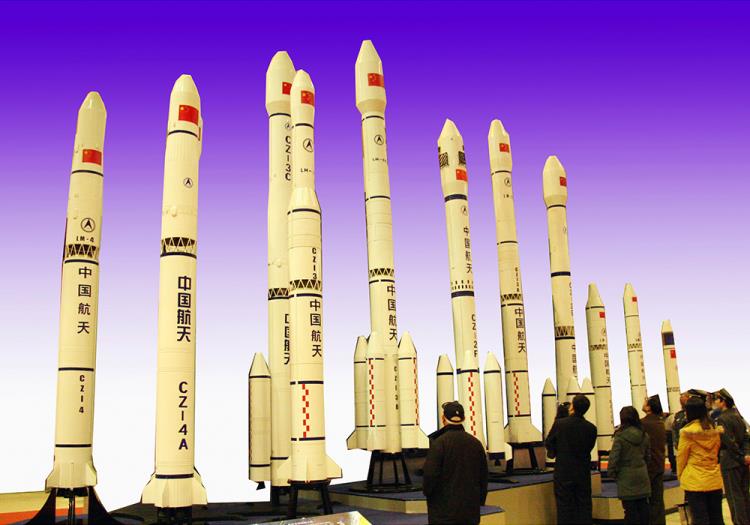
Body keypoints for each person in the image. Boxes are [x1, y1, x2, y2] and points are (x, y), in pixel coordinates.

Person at [423, 401, 488, 525]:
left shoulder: (439, 443)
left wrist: (429, 494)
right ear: (464, 418)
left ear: (443, 418)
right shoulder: (476, 443)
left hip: (443, 512)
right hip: (470, 511)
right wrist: (479, 500)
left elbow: (430, 475)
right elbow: (483, 476)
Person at [545, 394, 598, 525]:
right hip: (583, 472)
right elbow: (589, 447)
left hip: (564, 471)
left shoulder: (560, 424)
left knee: (564, 506)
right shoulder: (591, 428)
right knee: (584, 505)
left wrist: (556, 452)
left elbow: (549, 442)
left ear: (572, 406)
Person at [677, 396, 725, 525]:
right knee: (717, 518)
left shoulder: (687, 433)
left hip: (695, 481)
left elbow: (681, 458)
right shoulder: (714, 430)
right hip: (714, 479)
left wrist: (681, 476)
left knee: (699, 519)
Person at [609, 406, 652, 524]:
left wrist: (612, 473)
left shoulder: (620, 436)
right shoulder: (644, 435)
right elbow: (648, 457)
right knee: (643, 508)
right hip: (642, 474)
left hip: (625, 476)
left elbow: (614, 458)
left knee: (630, 511)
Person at [714, 389, 750, 525]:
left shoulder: (722, 419)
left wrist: (740, 456)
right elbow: (746, 438)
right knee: (745, 494)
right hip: (742, 461)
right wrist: (746, 455)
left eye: (717, 399)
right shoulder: (738, 416)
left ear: (723, 402)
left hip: (730, 461)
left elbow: (729, 442)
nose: (715, 402)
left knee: (734, 497)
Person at [642, 395, 667, 525]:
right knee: (658, 501)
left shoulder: (643, 424)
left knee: (649, 503)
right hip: (659, 464)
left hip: (648, 467)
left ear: (649, 407)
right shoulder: (660, 423)